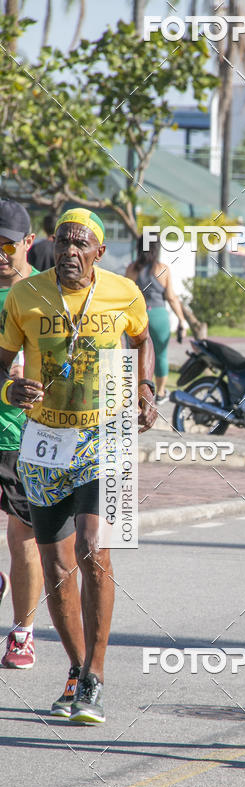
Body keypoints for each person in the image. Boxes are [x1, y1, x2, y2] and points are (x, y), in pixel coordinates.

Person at [0, 207, 157, 723]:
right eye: (64, 241)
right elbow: (1, 366)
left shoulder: (123, 292)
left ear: (99, 252)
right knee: (56, 565)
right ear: (52, 243)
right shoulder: (25, 296)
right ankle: (75, 667)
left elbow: (143, 339)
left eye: (81, 244)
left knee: (93, 547)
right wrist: (9, 390)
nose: (70, 251)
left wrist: (146, 388)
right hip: (44, 440)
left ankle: (96, 675)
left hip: (104, 433)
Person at [0, 200, 44, 669]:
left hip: (26, 437)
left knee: (23, 538)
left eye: (7, 245)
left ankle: (22, 633)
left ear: (28, 242)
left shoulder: (43, 294)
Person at [125, 238, 186, 404]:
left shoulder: (132, 269)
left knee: (134, 354)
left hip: (137, 316)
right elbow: (171, 297)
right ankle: (159, 393)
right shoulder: (162, 269)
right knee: (160, 355)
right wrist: (181, 320)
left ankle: (136, 393)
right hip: (159, 316)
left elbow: (126, 295)